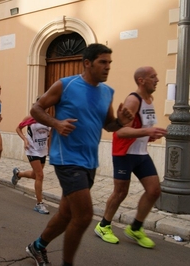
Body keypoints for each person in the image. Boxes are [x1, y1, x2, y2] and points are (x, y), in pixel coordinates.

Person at [25, 43, 134, 266]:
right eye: (103, 62)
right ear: (87, 63)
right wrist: (56, 123)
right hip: (67, 158)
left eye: (109, 63)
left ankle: (37, 246)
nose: (107, 67)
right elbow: (36, 109)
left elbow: (108, 125)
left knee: (66, 214)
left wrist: (121, 122)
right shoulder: (65, 85)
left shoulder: (107, 92)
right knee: (84, 216)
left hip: (89, 161)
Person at [94, 66, 167, 249]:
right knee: (121, 192)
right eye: (153, 76)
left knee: (154, 191)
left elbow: (141, 126)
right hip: (125, 154)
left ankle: (135, 228)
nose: (157, 79)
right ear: (141, 80)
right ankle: (103, 226)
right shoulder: (133, 100)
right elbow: (120, 130)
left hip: (141, 153)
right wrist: (146, 131)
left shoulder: (149, 99)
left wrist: (149, 135)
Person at [12, 111, 51, 214]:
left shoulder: (48, 119)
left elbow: (50, 134)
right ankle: (39, 204)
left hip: (42, 150)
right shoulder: (30, 118)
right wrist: (25, 139)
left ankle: (18, 174)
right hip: (32, 149)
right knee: (40, 175)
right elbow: (18, 128)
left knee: (35, 175)